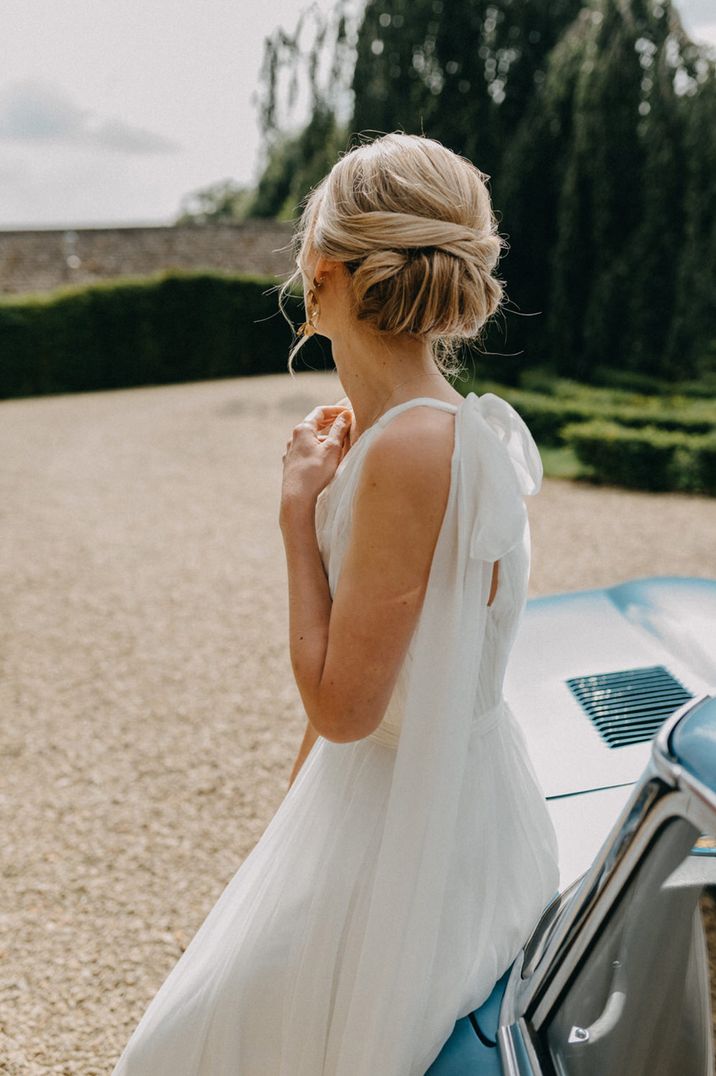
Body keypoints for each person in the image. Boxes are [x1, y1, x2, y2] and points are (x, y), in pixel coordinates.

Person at [111, 130, 560, 1075]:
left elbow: (345, 709)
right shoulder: (435, 428)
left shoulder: (406, 450)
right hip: (443, 798)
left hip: (407, 825)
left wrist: (294, 514)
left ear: (321, 273)